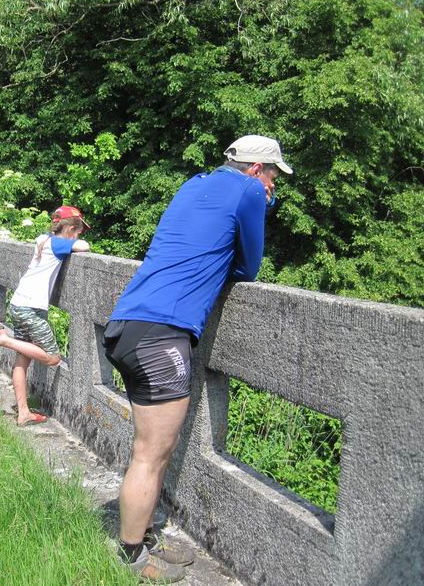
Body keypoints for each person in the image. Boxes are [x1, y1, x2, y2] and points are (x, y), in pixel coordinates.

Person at [103, 135, 292, 583]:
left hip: (128, 323)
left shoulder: (193, 185)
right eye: (272, 176)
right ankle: (130, 558)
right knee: (150, 453)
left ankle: (145, 538)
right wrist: (261, 205)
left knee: (154, 449)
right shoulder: (248, 191)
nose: (272, 185)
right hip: (162, 335)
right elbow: (249, 267)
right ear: (254, 170)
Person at [0, 205, 90, 426]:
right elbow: (83, 247)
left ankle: (23, 413)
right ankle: (3, 339)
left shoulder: (43, 239)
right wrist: (74, 240)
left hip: (18, 304)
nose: (79, 234)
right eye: (78, 230)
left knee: (22, 359)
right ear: (70, 228)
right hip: (31, 309)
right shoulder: (58, 244)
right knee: (53, 358)